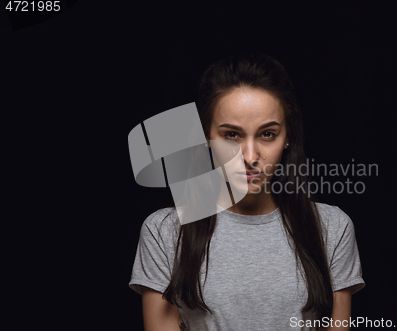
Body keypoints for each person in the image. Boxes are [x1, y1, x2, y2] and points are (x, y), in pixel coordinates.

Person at [129, 52, 365, 331]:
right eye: (232, 135)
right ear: (206, 138)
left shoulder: (331, 227)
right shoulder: (165, 231)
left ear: (288, 136)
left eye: (267, 134)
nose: (250, 155)